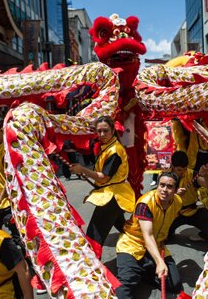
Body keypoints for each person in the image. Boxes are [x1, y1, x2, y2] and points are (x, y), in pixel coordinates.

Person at [69, 116, 135, 258]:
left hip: (113, 197)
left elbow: (104, 177)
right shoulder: (108, 147)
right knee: (126, 230)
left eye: (106, 131)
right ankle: (143, 254)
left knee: (94, 236)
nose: (102, 134)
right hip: (113, 195)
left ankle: (92, 266)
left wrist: (82, 170)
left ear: (112, 131)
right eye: (99, 131)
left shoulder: (114, 150)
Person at [115, 172, 183, 298]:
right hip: (132, 244)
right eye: (161, 185)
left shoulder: (177, 202)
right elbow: (148, 236)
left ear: (176, 190)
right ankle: (133, 268)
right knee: (126, 285)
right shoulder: (145, 204)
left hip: (157, 246)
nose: (164, 190)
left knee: (175, 284)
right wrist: (159, 262)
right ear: (157, 185)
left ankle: (142, 269)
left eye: (169, 187)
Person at [167, 151, 208, 242]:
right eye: (179, 170)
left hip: (192, 211)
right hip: (173, 213)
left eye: (184, 169)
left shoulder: (191, 174)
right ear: (172, 166)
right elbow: (159, 196)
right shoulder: (164, 176)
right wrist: (174, 194)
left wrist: (206, 175)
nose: (182, 173)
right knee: (162, 237)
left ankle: (203, 235)